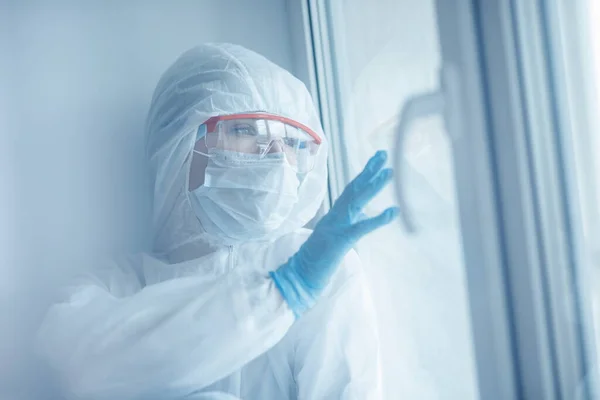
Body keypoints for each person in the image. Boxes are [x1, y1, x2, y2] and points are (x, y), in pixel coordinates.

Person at [36, 43, 399, 399]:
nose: (277, 157)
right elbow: (80, 367)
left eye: (291, 141)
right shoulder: (115, 285)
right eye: (244, 130)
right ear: (178, 144)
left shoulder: (318, 264)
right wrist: (283, 291)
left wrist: (298, 280)